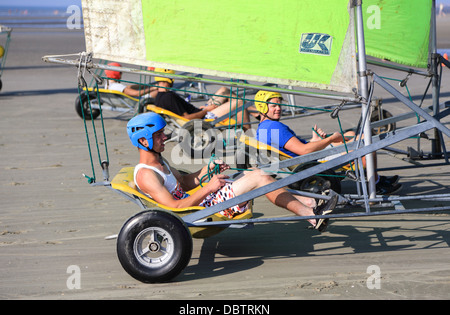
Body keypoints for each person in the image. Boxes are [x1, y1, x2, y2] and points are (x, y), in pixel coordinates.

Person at [127, 112, 339, 232]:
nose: (164, 137)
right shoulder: (147, 174)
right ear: (143, 140)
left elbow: (183, 183)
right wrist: (210, 186)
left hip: (200, 203)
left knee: (254, 173)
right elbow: (174, 206)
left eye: (163, 133)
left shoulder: (159, 162)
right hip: (197, 213)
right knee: (258, 178)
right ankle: (311, 214)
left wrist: (207, 171)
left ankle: (310, 205)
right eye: (158, 135)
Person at [254, 90, 402, 195]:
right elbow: (304, 151)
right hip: (310, 162)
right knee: (366, 143)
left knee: (351, 135)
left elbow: (294, 148)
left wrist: (316, 141)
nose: (278, 109)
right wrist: (329, 140)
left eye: (279, 105)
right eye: (274, 106)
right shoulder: (275, 127)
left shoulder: (264, 128)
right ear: (263, 107)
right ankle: (375, 185)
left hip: (303, 159)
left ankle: (375, 179)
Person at [154, 68, 251, 130]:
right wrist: (205, 111)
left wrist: (203, 110)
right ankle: (246, 130)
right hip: (205, 117)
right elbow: (186, 118)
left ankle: (252, 111)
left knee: (224, 90)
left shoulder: (159, 97)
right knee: (240, 102)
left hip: (202, 112)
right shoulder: (169, 97)